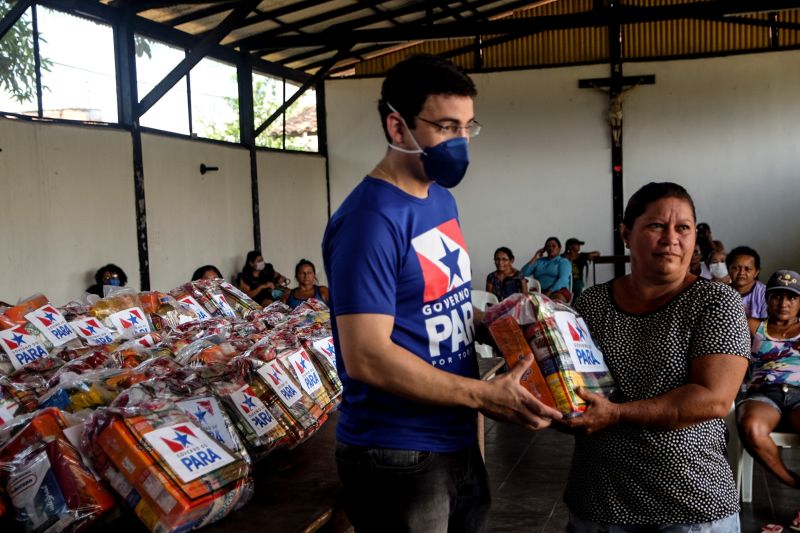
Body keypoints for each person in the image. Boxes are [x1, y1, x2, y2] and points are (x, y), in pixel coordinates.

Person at [322, 54, 561, 533]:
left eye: (468, 127)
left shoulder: (440, 199)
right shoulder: (370, 221)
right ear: (397, 126)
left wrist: (509, 324)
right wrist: (483, 396)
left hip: (455, 435)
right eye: (446, 126)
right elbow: (367, 355)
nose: (460, 142)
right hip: (398, 451)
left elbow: (439, 302)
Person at [563, 182, 750, 531]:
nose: (671, 239)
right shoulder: (591, 304)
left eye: (683, 228)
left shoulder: (715, 303)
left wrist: (617, 414)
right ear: (625, 233)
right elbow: (573, 385)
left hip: (691, 504)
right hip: (600, 499)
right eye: (655, 226)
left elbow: (712, 399)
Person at [737, 269, 800, 490]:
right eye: (777, 296)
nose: (784, 302)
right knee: (751, 427)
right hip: (765, 394)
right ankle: (791, 481)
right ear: (767, 298)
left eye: (792, 297)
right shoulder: (753, 326)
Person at [520, 237, 572, 303]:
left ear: (559, 248)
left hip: (558, 291)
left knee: (555, 302)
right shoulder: (539, 261)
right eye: (548, 246)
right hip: (539, 291)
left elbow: (563, 279)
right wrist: (535, 257)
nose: (551, 248)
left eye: (553, 246)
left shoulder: (563, 261)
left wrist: (549, 292)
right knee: (526, 303)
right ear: (545, 249)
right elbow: (523, 273)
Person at [727, 245, 768, 319]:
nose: (741, 273)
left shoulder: (764, 293)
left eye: (747, 269)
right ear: (728, 269)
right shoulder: (721, 292)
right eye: (736, 268)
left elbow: (765, 325)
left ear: (756, 272)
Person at [562, 237, 599, 302]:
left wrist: (590, 255)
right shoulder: (563, 257)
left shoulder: (581, 256)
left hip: (577, 280)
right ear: (570, 246)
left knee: (578, 286)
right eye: (577, 244)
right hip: (564, 279)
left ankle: (574, 305)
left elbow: (597, 253)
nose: (579, 246)